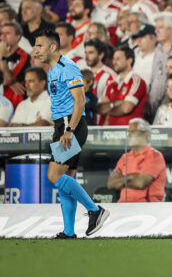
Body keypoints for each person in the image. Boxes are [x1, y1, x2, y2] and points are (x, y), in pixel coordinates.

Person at [32, 29, 108, 238]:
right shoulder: (54, 69)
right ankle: (68, 231)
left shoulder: (68, 67)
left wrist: (68, 130)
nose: (36, 50)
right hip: (63, 124)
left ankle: (95, 210)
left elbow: (80, 100)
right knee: (66, 178)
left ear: (53, 47)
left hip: (69, 124)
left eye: (40, 45)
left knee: (53, 175)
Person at [107, 118, 166, 202]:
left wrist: (122, 179)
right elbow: (111, 183)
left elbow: (141, 183)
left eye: (133, 132)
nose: (129, 136)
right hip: (123, 206)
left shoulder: (155, 156)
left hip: (146, 208)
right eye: (129, 132)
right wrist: (135, 176)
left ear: (145, 134)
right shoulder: (125, 157)